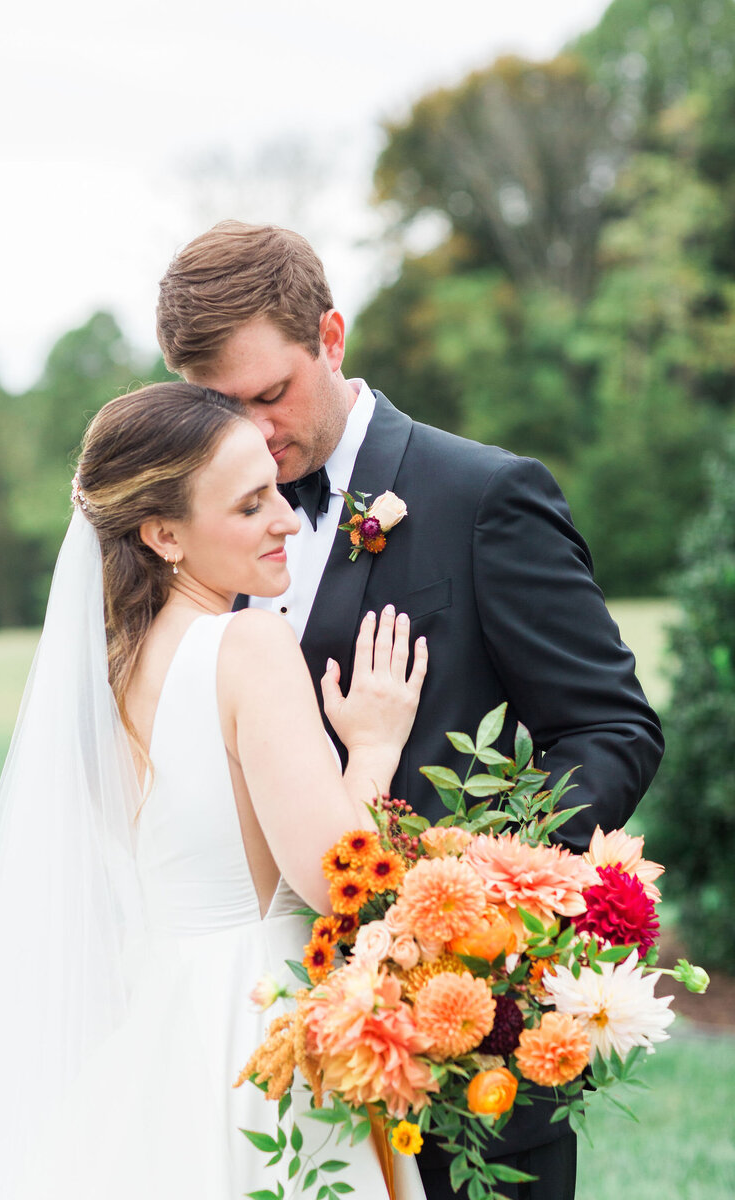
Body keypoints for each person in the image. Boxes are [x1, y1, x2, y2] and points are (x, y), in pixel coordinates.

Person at [155, 221, 666, 1200]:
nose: (253, 435)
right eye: (221, 408)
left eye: (271, 395)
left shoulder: (484, 497)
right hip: (261, 1044)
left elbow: (610, 729)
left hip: (456, 1038)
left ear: (331, 338)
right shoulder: (187, 538)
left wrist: (478, 896)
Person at [0, 383, 430, 1199]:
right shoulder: (249, 645)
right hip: (262, 1029)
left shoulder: (108, 673)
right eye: (249, 507)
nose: (286, 518)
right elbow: (339, 882)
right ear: (164, 534)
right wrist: (373, 746)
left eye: (274, 487)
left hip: (159, 1031)